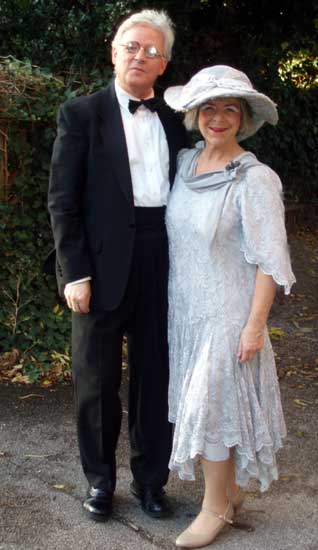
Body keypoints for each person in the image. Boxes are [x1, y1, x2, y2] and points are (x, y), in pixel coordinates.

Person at [48, 9, 187, 522]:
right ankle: (100, 482)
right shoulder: (80, 114)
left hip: (163, 260)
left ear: (163, 64)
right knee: (96, 382)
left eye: (151, 50)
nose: (140, 56)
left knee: (156, 378)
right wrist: (74, 272)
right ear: (113, 51)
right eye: (132, 46)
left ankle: (152, 483)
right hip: (100, 266)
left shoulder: (178, 120)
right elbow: (63, 202)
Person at [163, 65, 296, 548]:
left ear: (243, 119)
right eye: (210, 108)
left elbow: (270, 261)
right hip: (187, 309)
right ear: (195, 114)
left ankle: (215, 506)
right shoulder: (184, 163)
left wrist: (255, 324)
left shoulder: (255, 179)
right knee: (206, 402)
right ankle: (229, 492)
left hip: (228, 312)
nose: (218, 118)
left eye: (230, 109)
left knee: (212, 404)